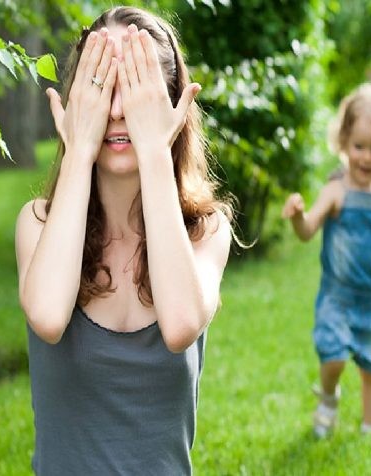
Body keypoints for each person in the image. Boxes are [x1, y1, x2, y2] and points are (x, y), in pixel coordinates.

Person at [14, 6, 233, 474]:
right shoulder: (36, 223)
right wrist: (79, 148)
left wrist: (154, 148)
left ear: (172, 103)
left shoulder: (206, 231)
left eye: (134, 89)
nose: (115, 111)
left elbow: (179, 327)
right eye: (101, 87)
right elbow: (49, 318)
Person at [281, 83, 371, 438]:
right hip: (338, 296)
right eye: (359, 146)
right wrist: (299, 217)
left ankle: (370, 427)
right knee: (332, 355)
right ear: (344, 142)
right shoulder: (336, 191)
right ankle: (329, 397)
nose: (366, 157)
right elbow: (308, 230)